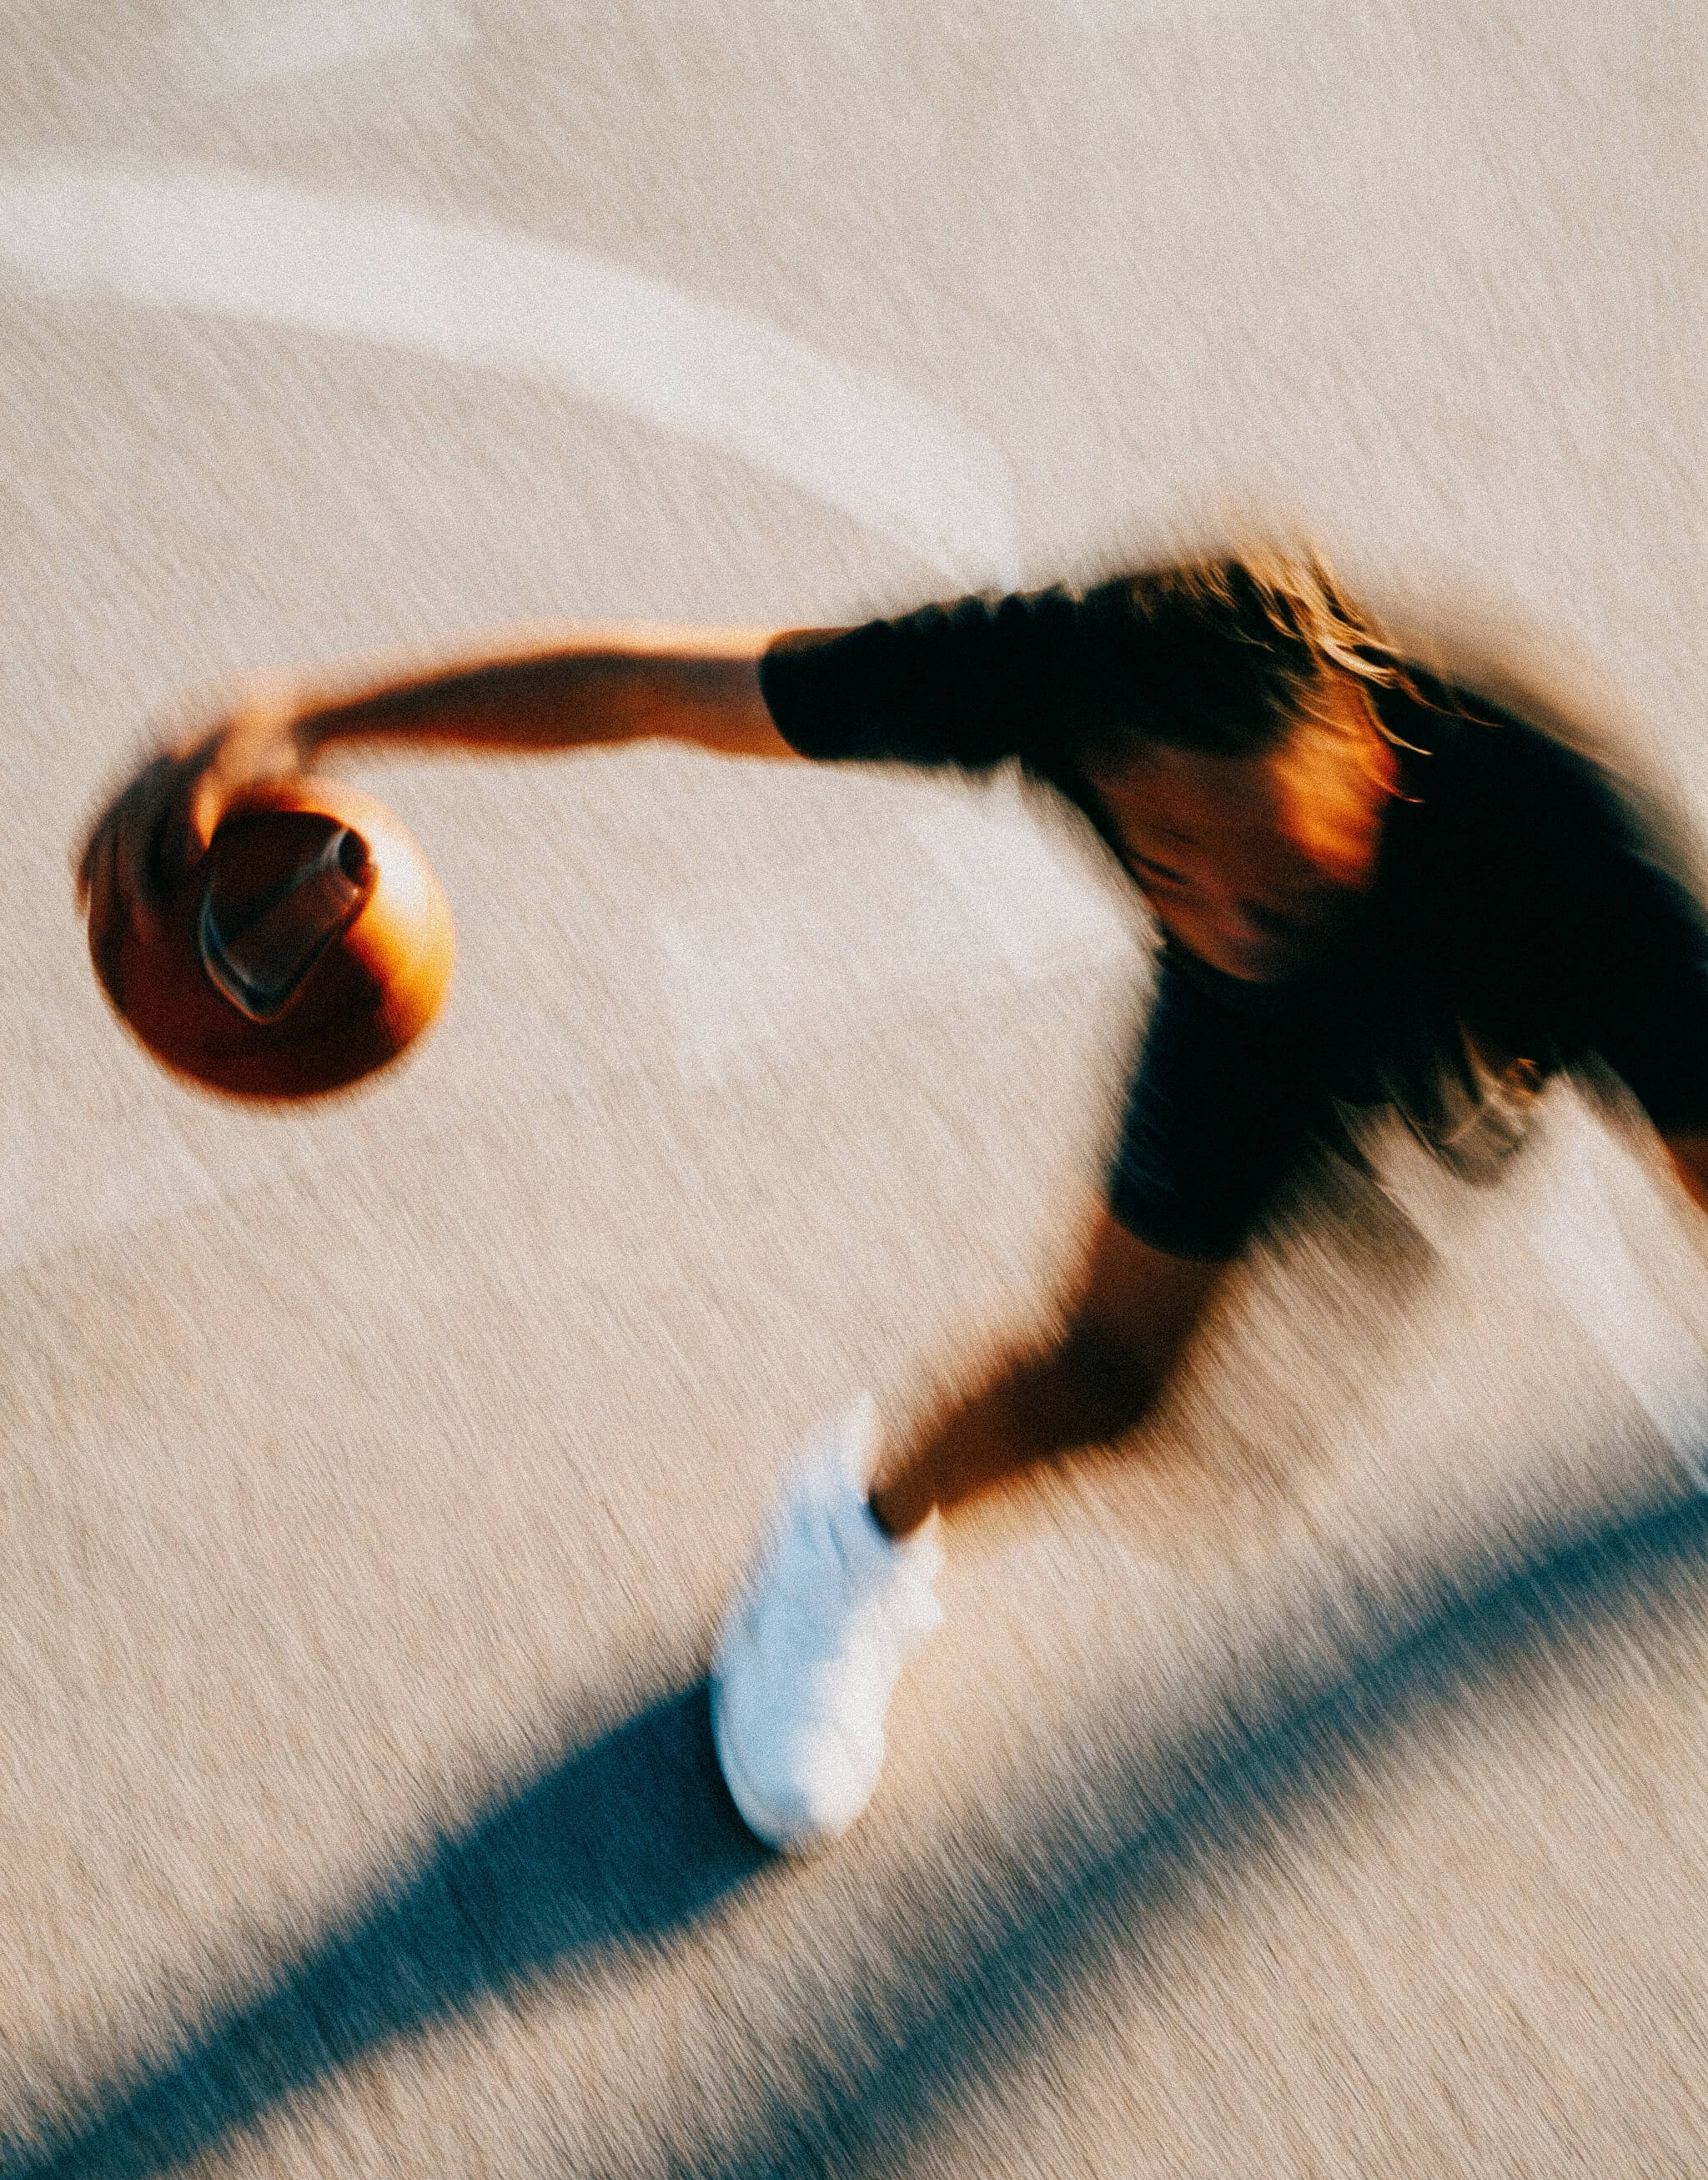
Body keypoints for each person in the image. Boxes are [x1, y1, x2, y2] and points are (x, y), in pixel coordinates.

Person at [79, 552, 1708, 1853]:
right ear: (1103, 771)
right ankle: (846, 1540)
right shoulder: (1062, 680)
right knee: (1114, 1394)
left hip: (1475, 983)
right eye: (1162, 855)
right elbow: (657, 688)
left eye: (1254, 860)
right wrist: (307, 710)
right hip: (1261, 1047)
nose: (1209, 900)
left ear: (1361, 756)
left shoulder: (1578, 867)